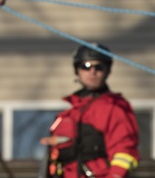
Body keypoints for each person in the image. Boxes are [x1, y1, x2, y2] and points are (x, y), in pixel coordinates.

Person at [43, 43, 139, 178]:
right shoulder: (67, 115)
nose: (92, 72)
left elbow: (124, 150)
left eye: (99, 67)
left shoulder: (114, 107)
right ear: (77, 70)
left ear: (107, 70)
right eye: (85, 66)